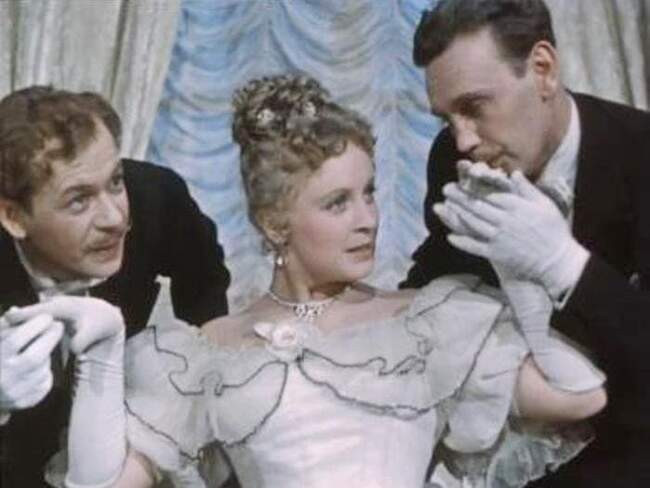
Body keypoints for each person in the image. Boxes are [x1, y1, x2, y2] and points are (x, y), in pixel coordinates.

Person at [16, 74, 608, 488]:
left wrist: (519, 264)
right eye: (337, 203)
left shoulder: (428, 321)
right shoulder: (205, 353)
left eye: (369, 193)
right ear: (275, 223)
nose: (368, 219)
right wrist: (101, 352)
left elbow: (580, 395)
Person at [403, 0, 650, 486]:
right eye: (447, 119)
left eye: (474, 107)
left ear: (543, 69)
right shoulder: (451, 159)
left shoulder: (642, 153)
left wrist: (565, 265)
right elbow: (437, 278)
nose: (463, 140)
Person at [0, 86, 231, 486]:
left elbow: (206, 282)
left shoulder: (155, 198)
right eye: (78, 200)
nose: (115, 218)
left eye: (115, 182)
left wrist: (201, 378)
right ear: (14, 217)